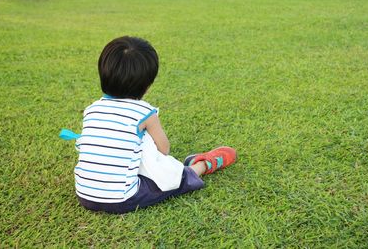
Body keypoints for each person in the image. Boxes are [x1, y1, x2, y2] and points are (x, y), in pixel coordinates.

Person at [60, 36, 236, 214]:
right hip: (122, 199)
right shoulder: (144, 112)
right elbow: (164, 150)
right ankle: (202, 166)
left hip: (84, 195)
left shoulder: (92, 109)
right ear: (148, 84)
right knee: (168, 181)